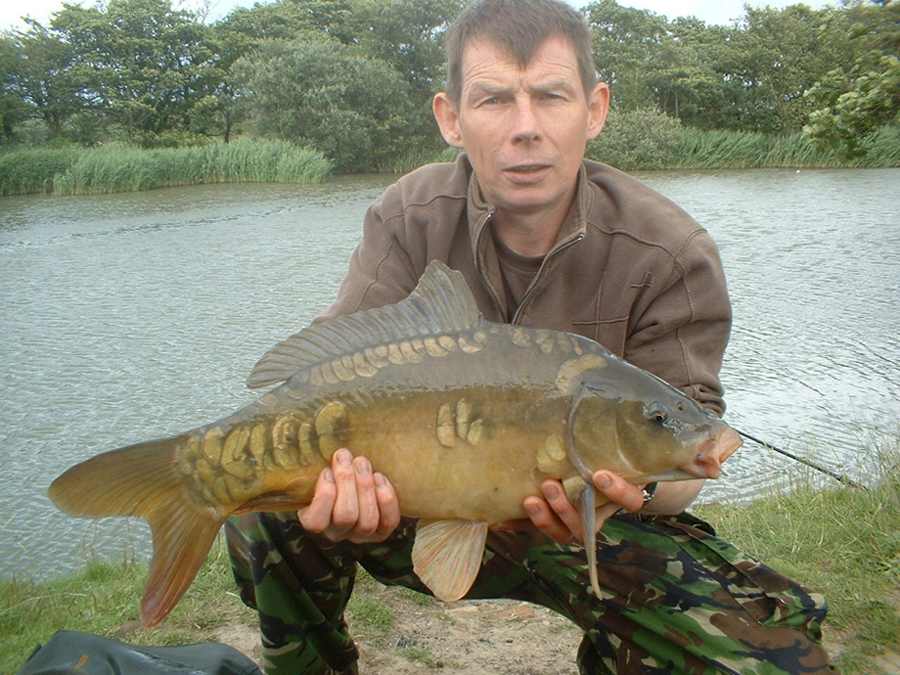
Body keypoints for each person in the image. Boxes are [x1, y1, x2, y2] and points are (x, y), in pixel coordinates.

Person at [226, 1, 833, 672]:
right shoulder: (408, 216)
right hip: (409, 503)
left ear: (594, 108)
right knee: (261, 502)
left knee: (775, 661)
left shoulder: (670, 250)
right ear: (450, 118)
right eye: (493, 100)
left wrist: (636, 492)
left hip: (601, 527)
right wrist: (341, 492)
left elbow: (691, 456)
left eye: (550, 96)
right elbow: (325, 373)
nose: (526, 129)